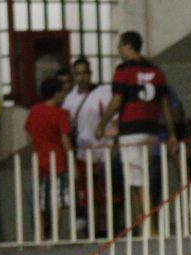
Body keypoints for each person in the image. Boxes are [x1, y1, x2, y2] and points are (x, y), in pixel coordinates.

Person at [95, 31, 177, 231]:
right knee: (143, 177)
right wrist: (172, 133)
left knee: (135, 180)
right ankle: (144, 225)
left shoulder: (124, 70)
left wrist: (102, 124)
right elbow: (166, 105)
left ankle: (149, 227)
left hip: (131, 130)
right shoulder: (156, 70)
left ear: (128, 46)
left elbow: (117, 101)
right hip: (151, 130)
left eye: (120, 46)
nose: (119, 51)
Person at [62, 57, 116, 237]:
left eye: (85, 73)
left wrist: (113, 141)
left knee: (105, 194)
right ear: (74, 76)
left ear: (90, 74)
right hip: (82, 154)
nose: (82, 77)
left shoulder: (104, 93)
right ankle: (93, 231)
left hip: (104, 150)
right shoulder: (69, 99)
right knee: (88, 195)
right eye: (78, 74)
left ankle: (106, 230)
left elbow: (115, 118)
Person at [25, 77, 73, 240]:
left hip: (39, 161)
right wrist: (72, 164)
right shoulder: (61, 114)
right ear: (56, 93)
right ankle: (54, 237)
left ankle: (40, 237)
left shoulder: (34, 111)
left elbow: (29, 136)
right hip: (57, 162)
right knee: (57, 201)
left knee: (39, 201)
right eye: (62, 92)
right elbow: (65, 139)